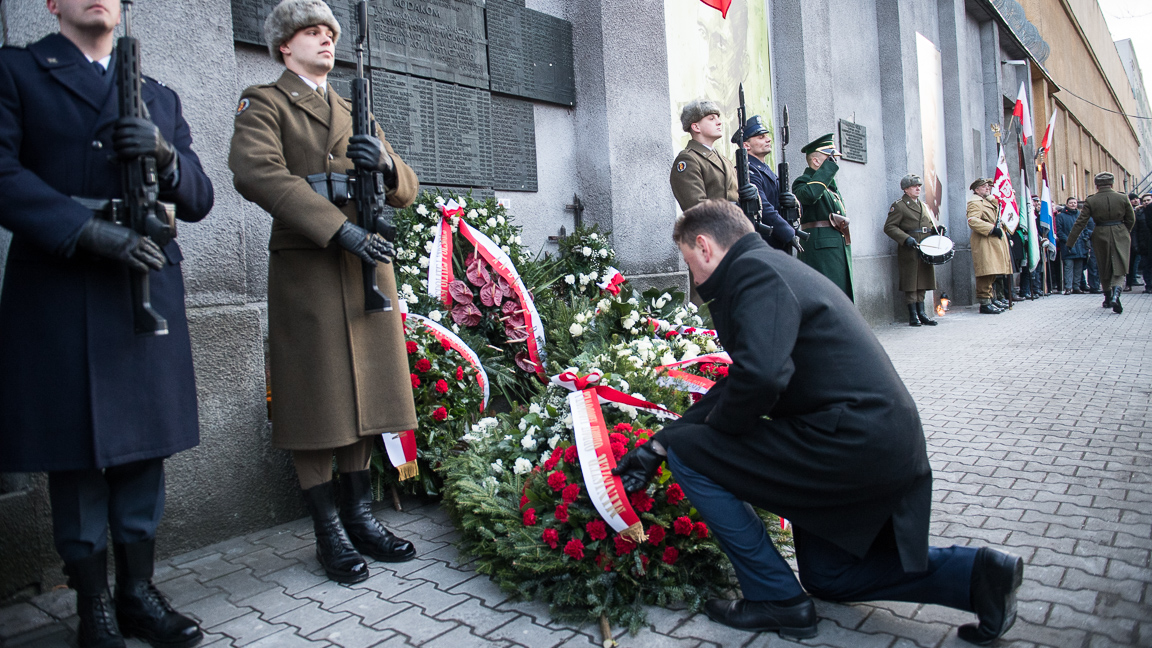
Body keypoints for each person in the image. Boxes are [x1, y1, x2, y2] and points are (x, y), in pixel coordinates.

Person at [612, 200, 1024, 645]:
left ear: (704, 245)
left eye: (689, 263)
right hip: (871, 440)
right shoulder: (771, 267)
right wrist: (662, 439)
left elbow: (762, 378)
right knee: (830, 576)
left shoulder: (754, 273)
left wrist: (690, 442)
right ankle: (977, 575)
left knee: (691, 453)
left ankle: (775, 598)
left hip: (849, 442)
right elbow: (744, 378)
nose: (694, 278)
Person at [0, 1, 214, 646]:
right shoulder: (19, 71)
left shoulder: (157, 95)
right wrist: (86, 231)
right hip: (64, 282)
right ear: (52, 4)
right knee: (77, 452)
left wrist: (166, 156)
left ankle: (137, 595)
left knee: (144, 448)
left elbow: (199, 198)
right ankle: (93, 603)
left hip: (143, 279)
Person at [228, 0, 420, 584]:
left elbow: (407, 189)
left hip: (365, 267)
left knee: (365, 393)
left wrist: (385, 164)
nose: (326, 40)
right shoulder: (265, 102)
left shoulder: (352, 109)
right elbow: (256, 172)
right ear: (285, 45)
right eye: (312, 32)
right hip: (311, 267)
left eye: (330, 32)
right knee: (317, 399)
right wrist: (339, 229)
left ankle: (360, 515)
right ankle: (328, 529)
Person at [669, 99, 759, 304]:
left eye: (718, 118)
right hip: (708, 244)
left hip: (733, 240)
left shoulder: (724, 160)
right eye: (711, 118)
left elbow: (736, 195)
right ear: (695, 126)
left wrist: (751, 198)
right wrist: (732, 210)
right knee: (709, 305)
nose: (719, 122)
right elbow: (697, 208)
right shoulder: (688, 160)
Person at [793, 134, 854, 300]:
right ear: (816, 161)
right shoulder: (802, 182)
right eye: (830, 159)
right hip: (820, 250)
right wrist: (826, 172)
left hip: (837, 246)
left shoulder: (828, 186)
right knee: (827, 295)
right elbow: (810, 195)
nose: (834, 163)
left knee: (840, 295)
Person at [1065, 173, 1136, 314]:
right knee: (1120, 265)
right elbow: (1131, 219)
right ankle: (1116, 294)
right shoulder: (1122, 197)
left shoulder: (1091, 200)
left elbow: (1081, 222)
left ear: (1096, 186)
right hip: (1120, 232)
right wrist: (1124, 231)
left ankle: (1108, 297)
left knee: (1104, 266)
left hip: (1100, 234)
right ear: (1112, 184)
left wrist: (1070, 242)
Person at [883, 174, 941, 326]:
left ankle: (922, 313)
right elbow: (889, 227)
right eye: (914, 186)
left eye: (919, 186)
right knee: (911, 282)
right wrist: (905, 238)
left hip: (925, 247)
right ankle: (913, 315)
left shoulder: (923, 205)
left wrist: (937, 230)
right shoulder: (900, 205)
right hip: (910, 248)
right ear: (906, 189)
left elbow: (928, 224)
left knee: (923, 280)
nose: (918, 189)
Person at [739, 114, 802, 253]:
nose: (768, 139)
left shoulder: (766, 170)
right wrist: (788, 233)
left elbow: (781, 204)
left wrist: (794, 204)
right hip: (764, 243)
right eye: (761, 137)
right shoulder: (749, 171)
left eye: (767, 136)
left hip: (776, 241)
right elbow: (764, 207)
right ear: (746, 145)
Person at [966, 179, 1012, 314]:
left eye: (988, 186)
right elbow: (972, 220)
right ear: (976, 190)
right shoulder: (975, 202)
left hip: (992, 241)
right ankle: (985, 302)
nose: (987, 188)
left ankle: (991, 298)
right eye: (984, 187)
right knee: (985, 272)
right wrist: (991, 229)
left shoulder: (988, 201)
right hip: (984, 240)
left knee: (993, 272)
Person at [1056, 197, 1090, 294]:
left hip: (1080, 245)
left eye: (1075, 203)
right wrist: (1069, 240)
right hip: (1068, 246)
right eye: (1071, 203)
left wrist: (1085, 238)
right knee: (1068, 267)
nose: (1073, 204)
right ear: (1067, 204)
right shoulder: (1061, 216)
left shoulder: (1080, 215)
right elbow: (1059, 231)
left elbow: (1085, 228)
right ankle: (1068, 287)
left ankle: (1076, 287)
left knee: (1078, 268)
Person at [1126, 193, 1142, 291]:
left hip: (1141, 239)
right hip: (1132, 240)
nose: (1136, 200)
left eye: (1137, 198)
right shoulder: (1129, 211)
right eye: (1133, 199)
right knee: (1131, 263)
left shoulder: (1141, 211)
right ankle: (1130, 282)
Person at [1136, 194, 1152, 292]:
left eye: (1148, 200)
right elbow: (1136, 230)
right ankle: (1149, 286)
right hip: (1144, 243)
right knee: (1146, 266)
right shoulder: (1139, 213)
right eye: (1144, 200)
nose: (1146, 202)